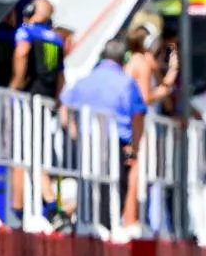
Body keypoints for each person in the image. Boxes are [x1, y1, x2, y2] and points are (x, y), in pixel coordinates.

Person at [61, 39, 146, 235]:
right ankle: (106, 226)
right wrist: (135, 146)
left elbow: (65, 107)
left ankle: (85, 222)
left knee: (87, 181)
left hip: (86, 140)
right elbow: (137, 115)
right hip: (115, 142)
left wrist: (73, 133)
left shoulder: (84, 80)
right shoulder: (126, 83)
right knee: (114, 184)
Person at [8, 0, 66, 226]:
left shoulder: (26, 32)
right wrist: (57, 101)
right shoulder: (57, 39)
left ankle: (18, 212)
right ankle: (51, 206)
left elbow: (22, 53)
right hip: (46, 103)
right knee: (36, 154)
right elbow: (61, 77)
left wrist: (16, 83)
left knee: (20, 157)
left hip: (28, 101)